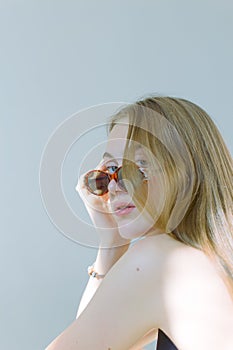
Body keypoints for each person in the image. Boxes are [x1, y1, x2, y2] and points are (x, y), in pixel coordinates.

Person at [45, 96, 233, 350]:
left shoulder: (162, 261)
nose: (113, 186)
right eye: (109, 169)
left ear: (187, 172)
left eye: (139, 165)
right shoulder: (211, 261)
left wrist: (112, 245)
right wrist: (112, 240)